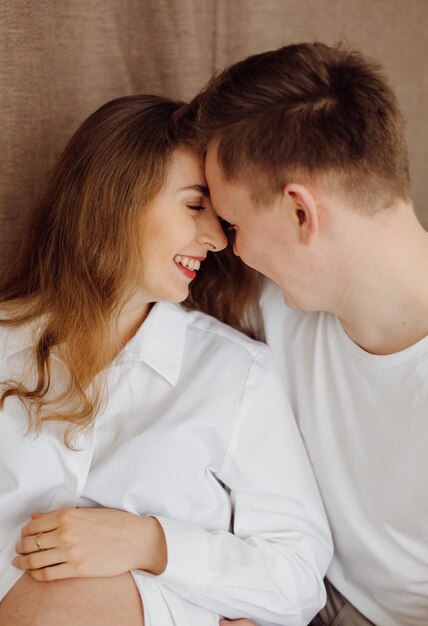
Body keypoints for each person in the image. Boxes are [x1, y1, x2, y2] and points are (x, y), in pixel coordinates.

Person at [0, 95, 332, 626]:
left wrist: (151, 543)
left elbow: (297, 576)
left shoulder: (238, 376)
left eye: (220, 217)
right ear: (116, 197)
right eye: (195, 206)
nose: (217, 238)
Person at [197, 42, 428, 626]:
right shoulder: (273, 306)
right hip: (296, 583)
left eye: (233, 222)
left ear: (301, 213)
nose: (228, 246)